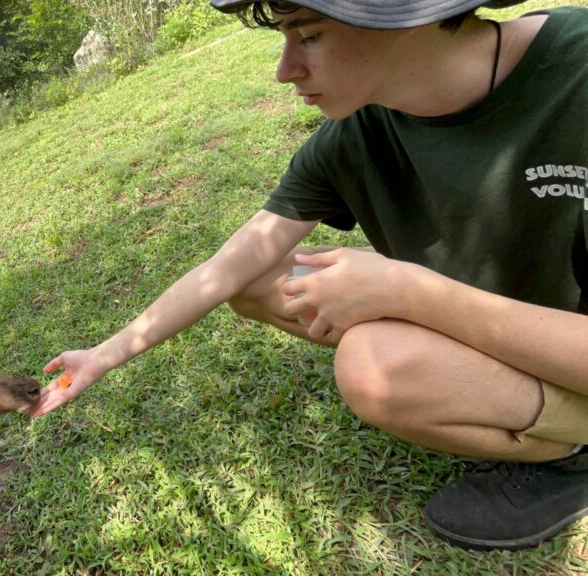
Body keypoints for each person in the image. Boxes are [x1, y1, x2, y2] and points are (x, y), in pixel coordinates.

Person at [30, 0, 588, 552]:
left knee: (373, 366)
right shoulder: (358, 133)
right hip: (502, 333)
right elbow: (226, 269)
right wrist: (103, 355)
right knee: (255, 281)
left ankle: (574, 454)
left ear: (403, 14)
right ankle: (557, 436)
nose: (285, 70)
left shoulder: (575, 72)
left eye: (309, 35)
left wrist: (408, 292)